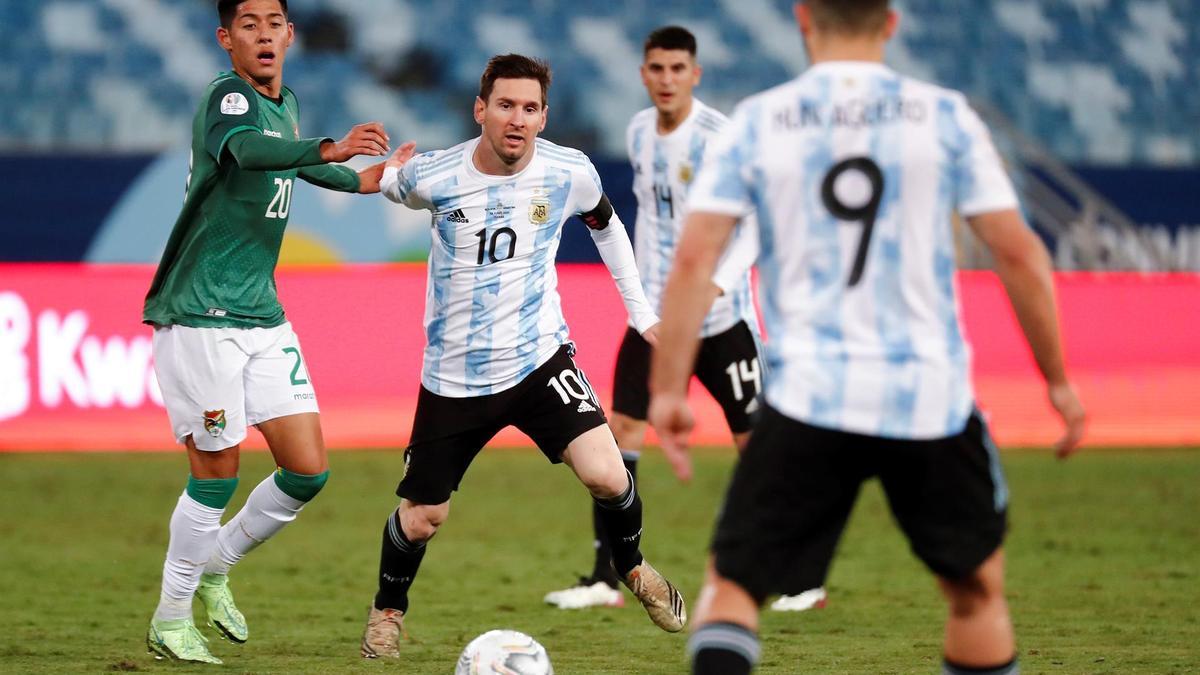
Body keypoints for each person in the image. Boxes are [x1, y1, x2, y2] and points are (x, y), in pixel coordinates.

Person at [647, 1, 1088, 673]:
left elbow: (692, 260)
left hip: (808, 398)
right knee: (974, 592)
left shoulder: (760, 121)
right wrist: (1056, 378)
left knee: (732, 587)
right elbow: (1020, 253)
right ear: (890, 22)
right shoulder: (944, 116)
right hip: (929, 398)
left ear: (802, 20)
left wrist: (670, 389)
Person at [360, 53, 688, 659]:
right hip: (454, 377)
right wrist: (321, 163)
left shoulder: (570, 171)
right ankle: (386, 612)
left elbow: (607, 226)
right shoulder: (434, 175)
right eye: (505, 105)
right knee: (424, 516)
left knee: (610, 474)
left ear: (544, 116)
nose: (518, 119)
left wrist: (641, 312)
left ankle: (634, 569)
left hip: (540, 359)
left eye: (530, 108)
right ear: (480, 110)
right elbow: (377, 181)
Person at [543, 26, 825, 615]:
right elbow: (647, 219)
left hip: (720, 319)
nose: (666, 79)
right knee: (617, 436)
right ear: (643, 74)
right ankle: (606, 577)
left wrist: (717, 283)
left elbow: (754, 222)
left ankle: (802, 579)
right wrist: (643, 296)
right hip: (655, 321)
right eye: (656, 68)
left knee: (758, 445)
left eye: (678, 68)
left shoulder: (721, 139)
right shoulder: (639, 131)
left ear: (695, 74)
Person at [142, 0, 392, 664]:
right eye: (247, 24)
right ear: (226, 39)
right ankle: (170, 617)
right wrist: (328, 148)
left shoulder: (289, 105)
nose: (262, 35)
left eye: (272, 23)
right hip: (201, 313)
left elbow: (295, 161)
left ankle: (215, 565)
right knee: (217, 473)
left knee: (307, 469)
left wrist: (356, 180)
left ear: (290, 34)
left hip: (261, 314)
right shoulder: (227, 101)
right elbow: (252, 153)